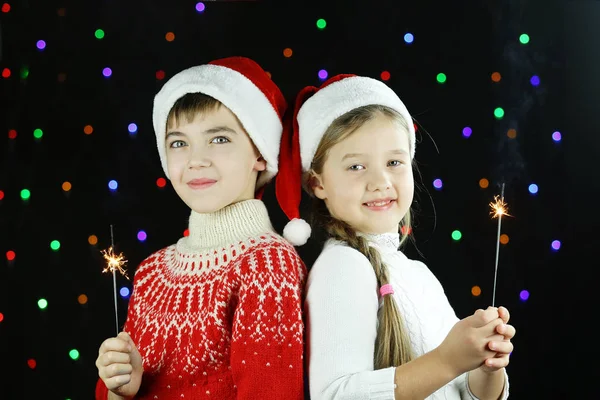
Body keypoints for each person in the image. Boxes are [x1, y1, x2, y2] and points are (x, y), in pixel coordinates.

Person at [275, 73, 515, 399]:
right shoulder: (343, 267)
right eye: (356, 166)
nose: (380, 181)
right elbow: (335, 394)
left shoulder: (420, 276)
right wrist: (448, 360)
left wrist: (485, 365)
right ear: (317, 183)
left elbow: (465, 393)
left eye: (394, 162)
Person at [95, 56, 307, 400]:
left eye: (219, 139)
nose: (196, 159)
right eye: (179, 143)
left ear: (260, 153)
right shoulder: (151, 273)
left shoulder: (267, 264)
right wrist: (121, 389)